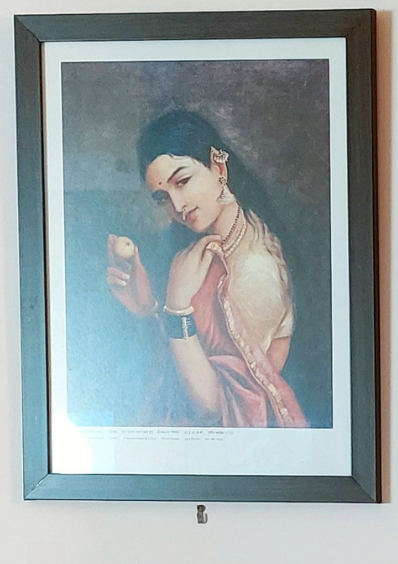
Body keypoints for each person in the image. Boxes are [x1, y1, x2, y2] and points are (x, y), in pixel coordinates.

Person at [105, 110, 308, 427]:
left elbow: (222, 408)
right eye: (163, 198)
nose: (178, 205)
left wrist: (175, 311)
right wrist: (148, 307)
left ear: (218, 166)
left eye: (182, 182)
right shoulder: (206, 242)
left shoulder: (254, 269)